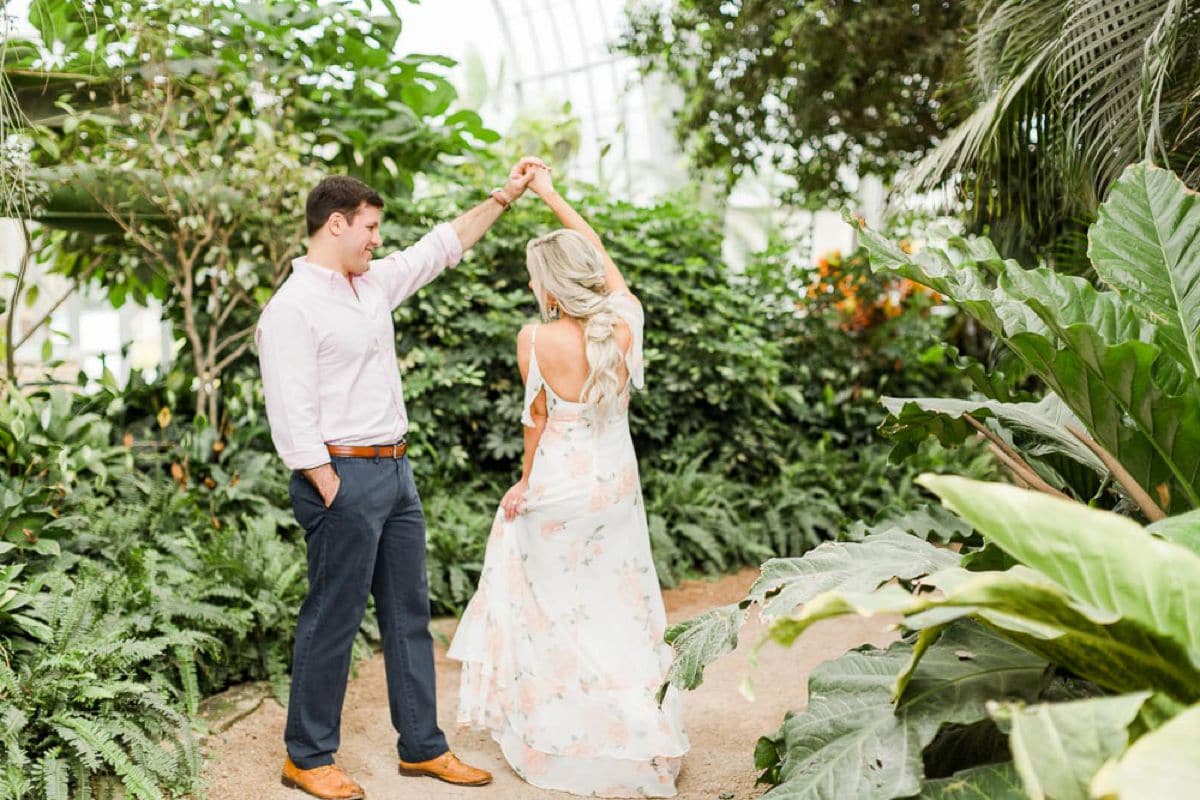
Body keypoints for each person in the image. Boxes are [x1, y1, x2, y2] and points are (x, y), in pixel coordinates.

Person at [256, 160, 541, 800]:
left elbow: (441, 247)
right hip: (342, 476)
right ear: (336, 224)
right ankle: (307, 757)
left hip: (395, 471)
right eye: (370, 228)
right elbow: (290, 410)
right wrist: (328, 481)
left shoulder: (371, 284)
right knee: (334, 617)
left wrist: (505, 196)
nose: (377, 240)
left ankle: (422, 747)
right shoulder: (292, 308)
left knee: (410, 614)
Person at [447, 162, 689, 797]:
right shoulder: (626, 321)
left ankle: (562, 730)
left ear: (549, 286)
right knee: (619, 604)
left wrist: (523, 485)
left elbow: (536, 422)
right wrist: (550, 194)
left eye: (535, 277)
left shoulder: (534, 338)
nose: (531, 285)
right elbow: (599, 249)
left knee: (552, 609)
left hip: (559, 485)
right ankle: (637, 726)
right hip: (615, 487)